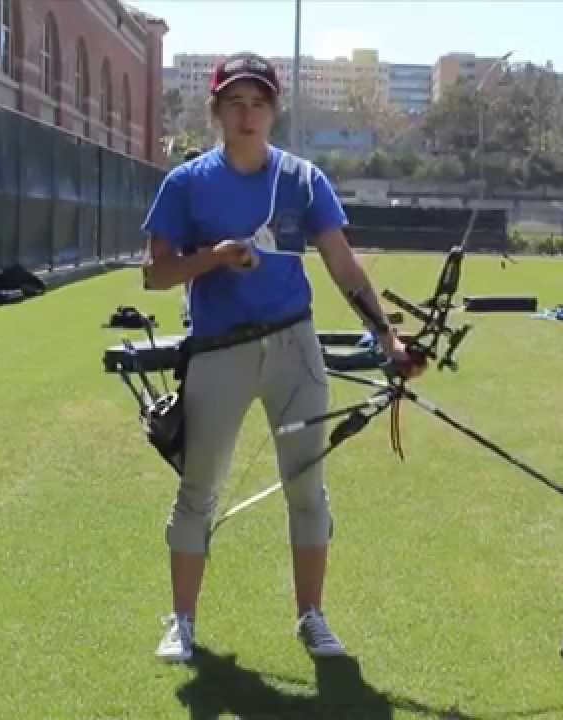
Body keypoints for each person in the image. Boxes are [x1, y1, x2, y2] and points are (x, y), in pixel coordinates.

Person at [139, 52, 423, 664]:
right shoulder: (186, 183)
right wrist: (214, 257)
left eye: (259, 103)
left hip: (295, 348)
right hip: (219, 351)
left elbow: (342, 263)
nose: (248, 115)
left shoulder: (302, 179)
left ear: (273, 111)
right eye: (235, 103)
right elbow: (154, 274)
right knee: (197, 491)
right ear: (216, 111)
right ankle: (181, 623)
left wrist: (387, 338)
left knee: (307, 489)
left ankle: (312, 618)